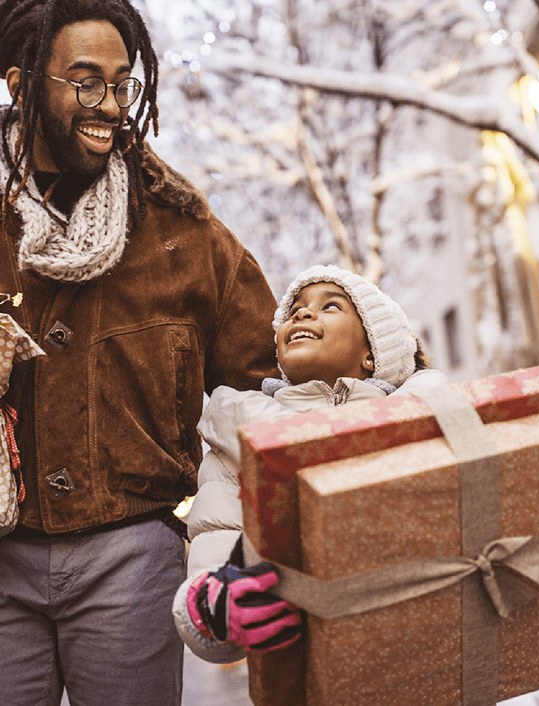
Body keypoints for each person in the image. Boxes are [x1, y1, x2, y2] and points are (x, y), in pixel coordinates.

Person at [0, 1, 278, 705]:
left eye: (122, 83)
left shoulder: (181, 232)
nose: (111, 104)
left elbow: (286, 376)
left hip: (132, 561)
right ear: (22, 83)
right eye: (85, 81)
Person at [172, 264, 447, 663]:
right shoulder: (239, 441)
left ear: (371, 354)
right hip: (305, 666)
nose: (301, 313)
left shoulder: (420, 418)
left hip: (421, 654)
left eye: (330, 306)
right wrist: (212, 611)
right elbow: (212, 551)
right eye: (295, 309)